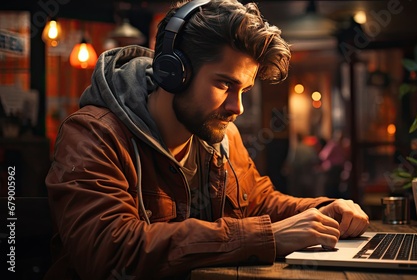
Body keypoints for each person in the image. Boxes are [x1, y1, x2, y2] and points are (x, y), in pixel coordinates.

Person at [44, 0, 369, 278]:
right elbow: (109, 254)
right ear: (173, 71)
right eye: (224, 85)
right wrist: (263, 237)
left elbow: (261, 202)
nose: (236, 107)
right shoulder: (93, 135)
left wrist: (326, 210)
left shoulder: (223, 136)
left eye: (243, 90)